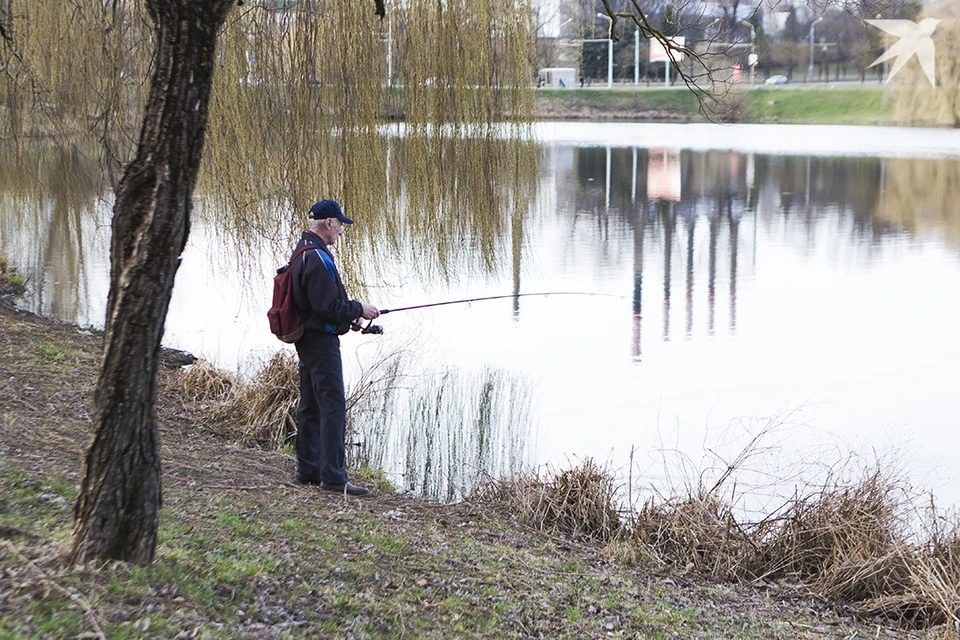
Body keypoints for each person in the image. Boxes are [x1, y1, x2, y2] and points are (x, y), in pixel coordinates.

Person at [290, 199, 379, 496]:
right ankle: (333, 478)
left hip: (308, 339)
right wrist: (359, 309)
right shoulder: (317, 257)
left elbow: (319, 305)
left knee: (311, 404)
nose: (341, 230)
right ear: (328, 223)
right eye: (340, 224)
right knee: (332, 406)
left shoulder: (302, 250)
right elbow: (327, 307)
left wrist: (350, 317)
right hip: (321, 342)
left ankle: (308, 468)